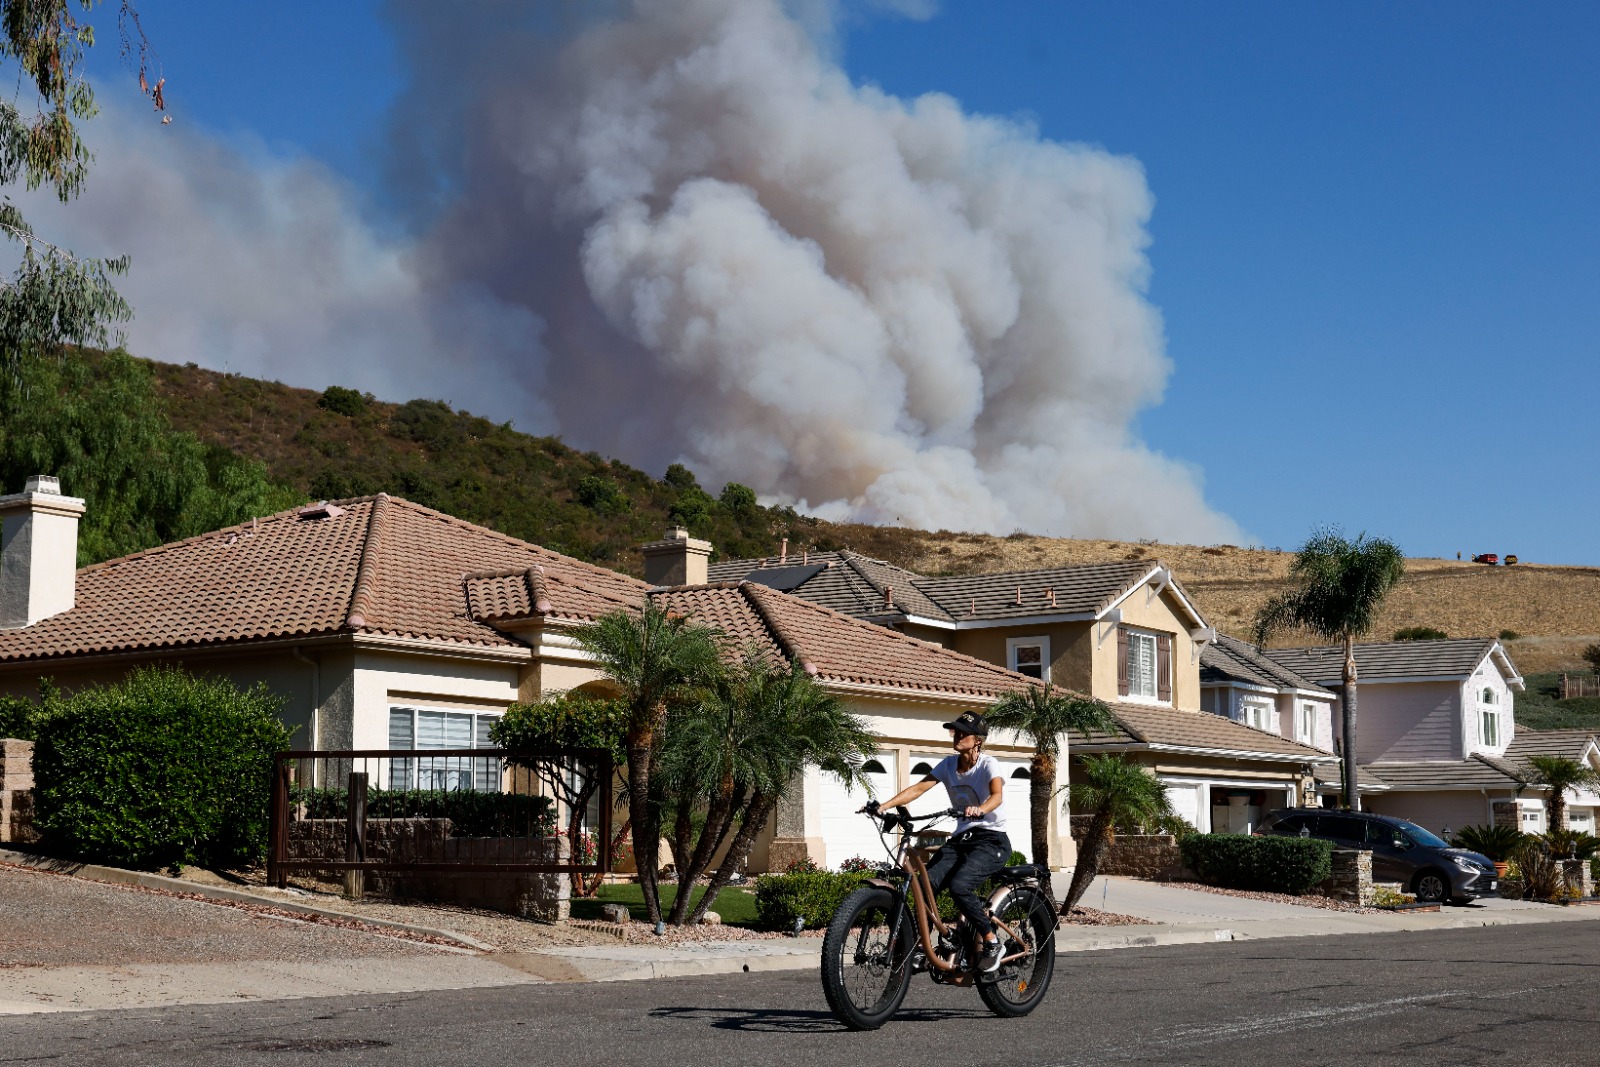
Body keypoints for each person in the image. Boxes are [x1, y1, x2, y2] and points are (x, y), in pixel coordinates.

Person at [862, 710, 1011, 973]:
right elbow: (918, 788)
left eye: (962, 732)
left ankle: (991, 940)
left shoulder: (989, 764)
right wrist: (884, 806)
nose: (956, 736)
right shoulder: (948, 765)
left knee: (960, 886)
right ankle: (922, 946)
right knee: (924, 885)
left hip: (991, 839)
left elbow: (997, 796)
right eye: (955, 731)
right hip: (962, 838)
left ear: (977, 739)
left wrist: (980, 809)